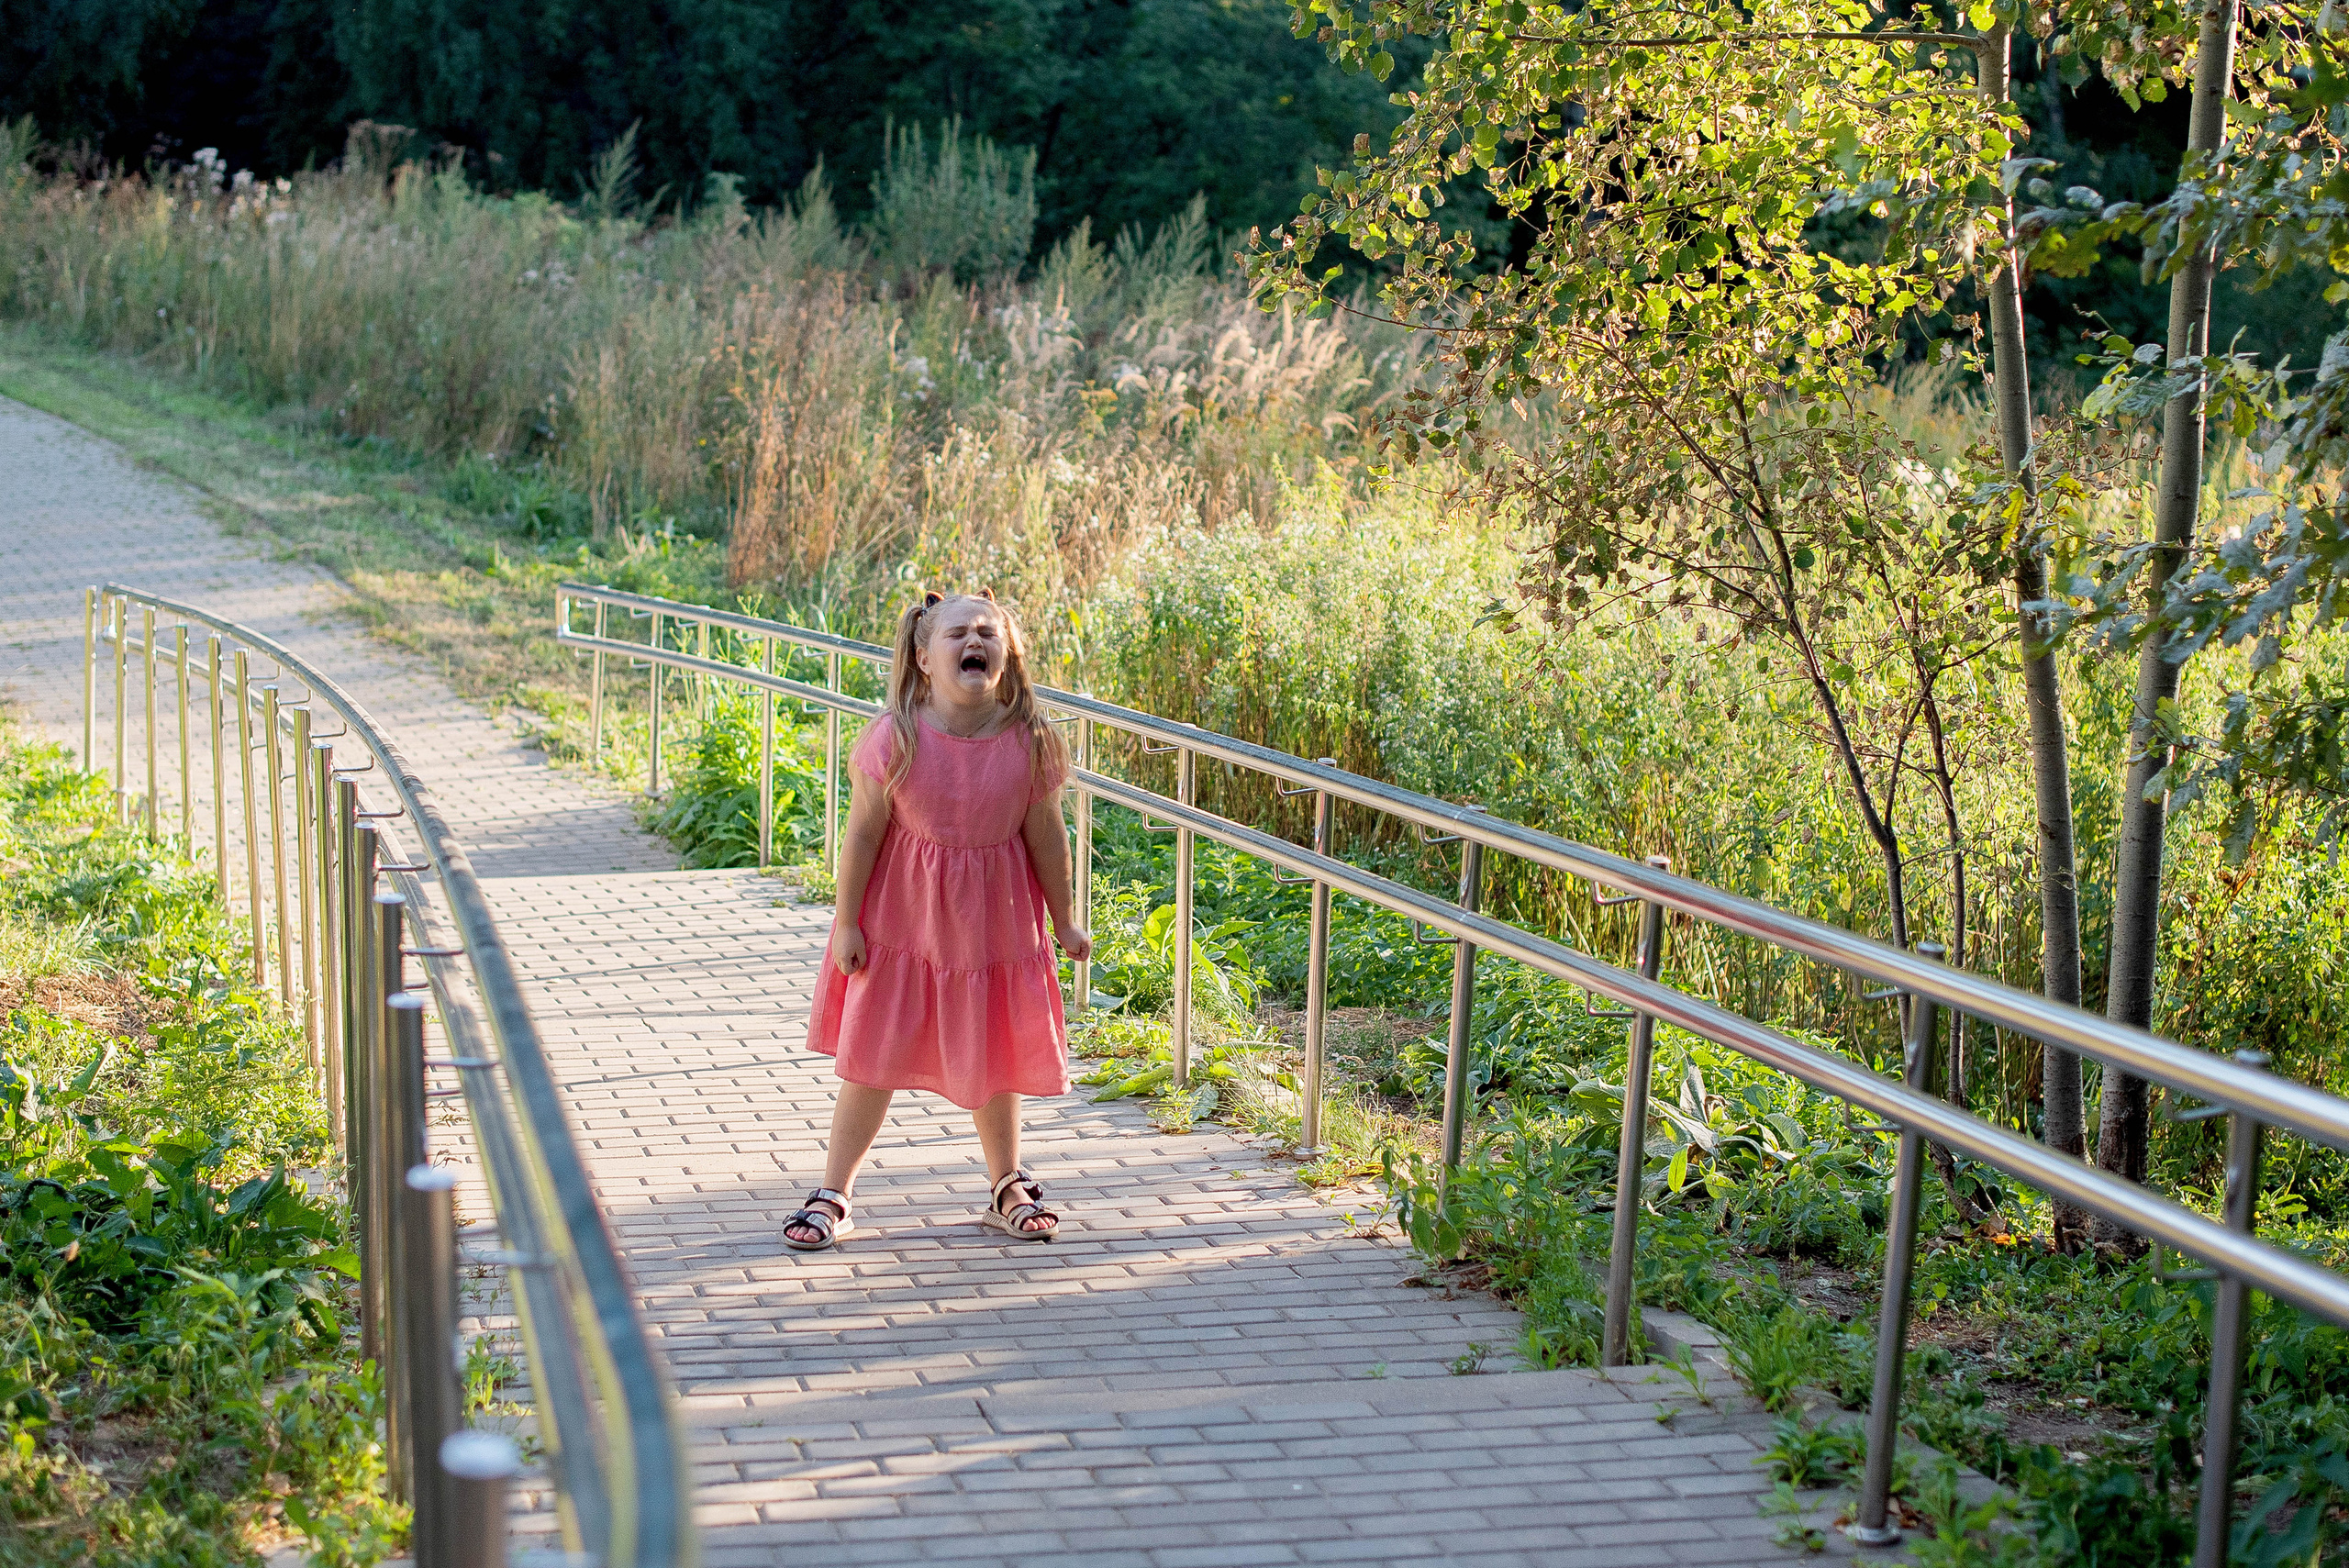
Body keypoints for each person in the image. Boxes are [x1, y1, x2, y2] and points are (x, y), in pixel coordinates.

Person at [785, 589, 1092, 1251]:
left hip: (993, 933)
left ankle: (1006, 1182)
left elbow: (1047, 836)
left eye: (987, 631)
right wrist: (846, 923)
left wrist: (1064, 921)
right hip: (903, 929)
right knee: (871, 1056)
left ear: (1007, 654)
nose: (973, 640)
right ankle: (835, 1189)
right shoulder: (895, 736)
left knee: (994, 1055)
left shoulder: (1029, 741)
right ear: (924, 655)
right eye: (957, 633)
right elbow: (862, 837)